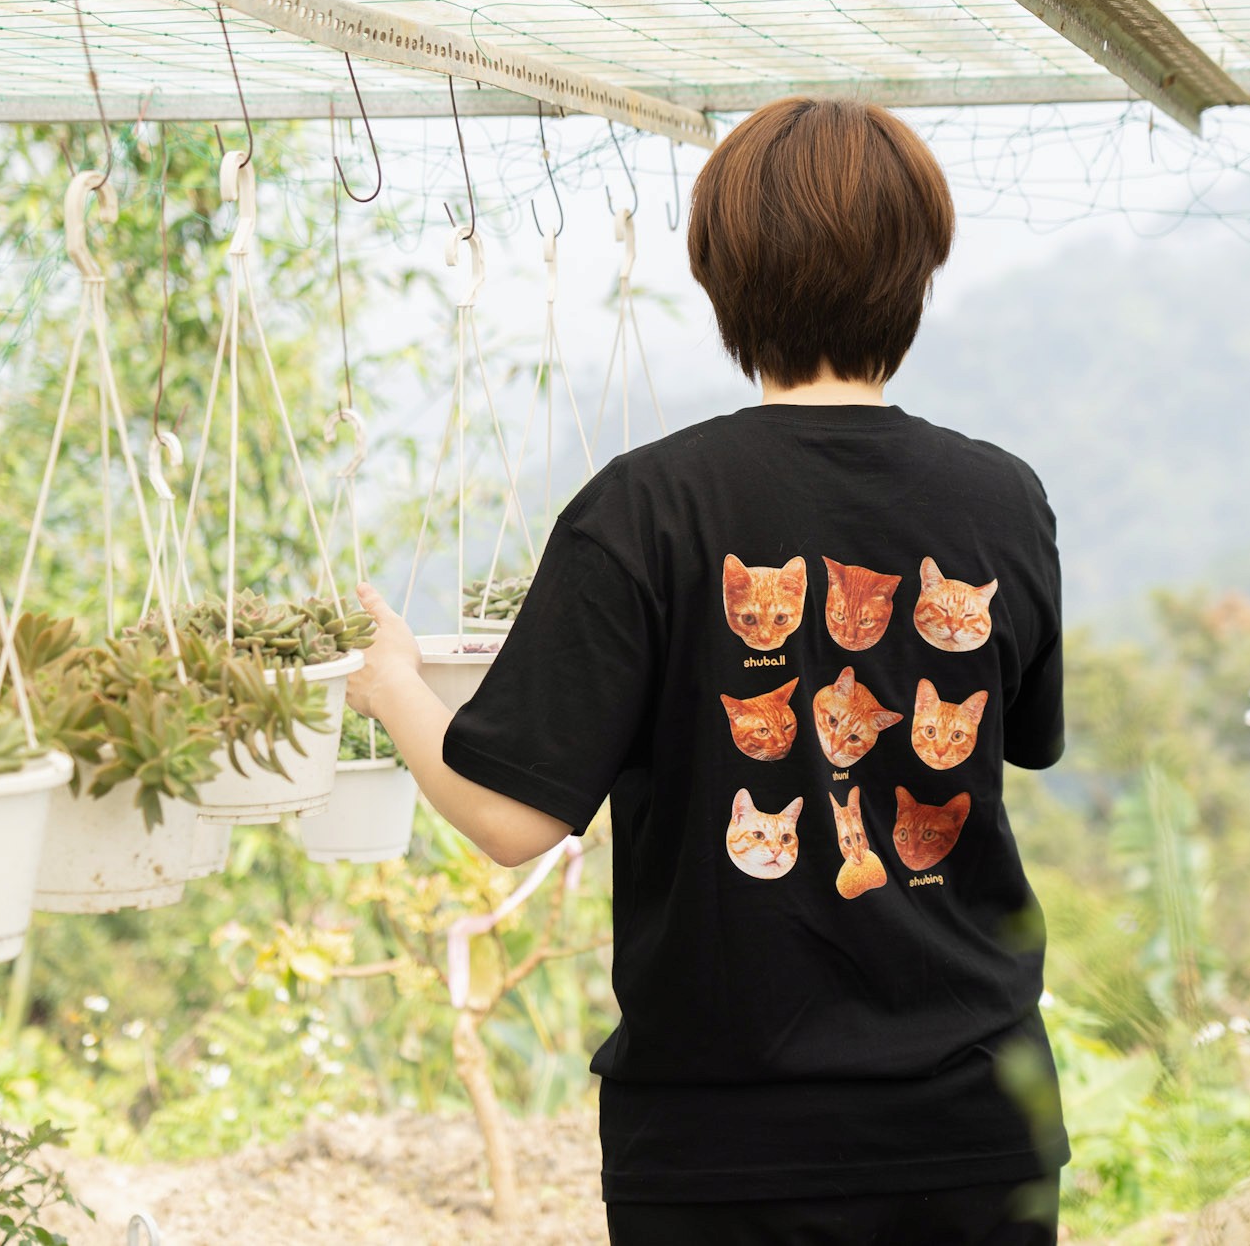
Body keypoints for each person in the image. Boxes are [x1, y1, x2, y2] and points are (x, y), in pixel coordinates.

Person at [347, 96, 1068, 1245]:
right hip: (971, 1123)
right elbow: (1014, 738)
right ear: (916, 273)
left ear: (717, 274)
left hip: (717, 1149)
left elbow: (509, 821)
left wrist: (390, 683)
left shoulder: (645, 506)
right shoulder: (1003, 499)